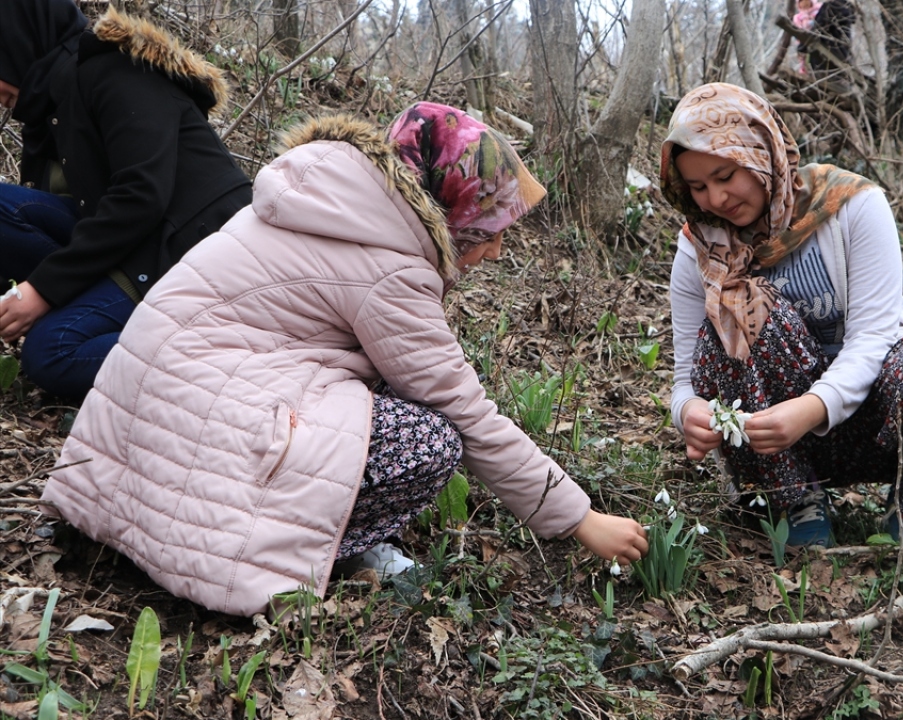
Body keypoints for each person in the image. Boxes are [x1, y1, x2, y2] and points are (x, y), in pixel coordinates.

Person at [41, 103, 649, 616]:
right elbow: (466, 412)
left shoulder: (325, 200)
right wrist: (580, 519)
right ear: (449, 208)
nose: (494, 250)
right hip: (202, 427)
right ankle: (312, 548)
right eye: (489, 229)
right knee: (431, 442)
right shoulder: (387, 265)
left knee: (386, 395)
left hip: (138, 436)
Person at [661, 83, 903, 548]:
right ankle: (791, 499)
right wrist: (689, 412)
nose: (716, 199)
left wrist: (812, 408)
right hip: (774, 443)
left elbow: (874, 336)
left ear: (761, 154)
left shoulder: (851, 204)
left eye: (725, 176)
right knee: (739, 312)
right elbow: (685, 378)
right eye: (698, 187)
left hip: (875, 423)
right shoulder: (698, 246)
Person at [0, 0, 252, 401]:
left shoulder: (117, 70)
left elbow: (140, 197)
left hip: (185, 255)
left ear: (13, 43)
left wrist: (43, 290)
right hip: (132, 245)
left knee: (53, 352)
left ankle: (235, 366)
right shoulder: (51, 105)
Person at [791, 0, 823, 76]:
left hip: (821, 40)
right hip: (806, 43)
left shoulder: (820, 10)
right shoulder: (798, 18)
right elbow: (798, 32)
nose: (804, 5)